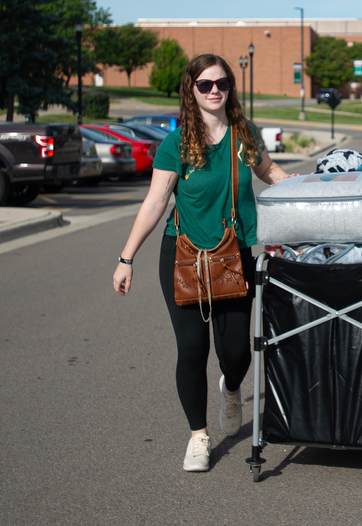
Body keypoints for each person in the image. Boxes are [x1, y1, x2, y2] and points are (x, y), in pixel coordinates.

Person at [112, 55, 290, 472]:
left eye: (222, 83)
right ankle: (198, 436)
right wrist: (126, 257)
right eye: (205, 84)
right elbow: (155, 202)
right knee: (192, 347)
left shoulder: (244, 135)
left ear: (231, 87)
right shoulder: (176, 144)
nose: (215, 90)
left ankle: (231, 389)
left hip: (236, 255)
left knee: (236, 353)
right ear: (190, 89)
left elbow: (272, 173)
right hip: (184, 256)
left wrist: (316, 189)